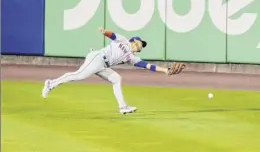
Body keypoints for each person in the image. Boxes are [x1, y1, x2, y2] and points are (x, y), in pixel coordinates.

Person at [42, 27, 171, 114]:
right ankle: (50, 84)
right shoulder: (124, 41)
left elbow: (147, 65)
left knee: (116, 79)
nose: (142, 45)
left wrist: (165, 70)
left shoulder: (132, 58)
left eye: (143, 45)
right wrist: (104, 32)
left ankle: (123, 107)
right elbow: (112, 35)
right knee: (78, 76)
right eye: (141, 43)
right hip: (98, 58)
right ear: (135, 41)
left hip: (103, 65)